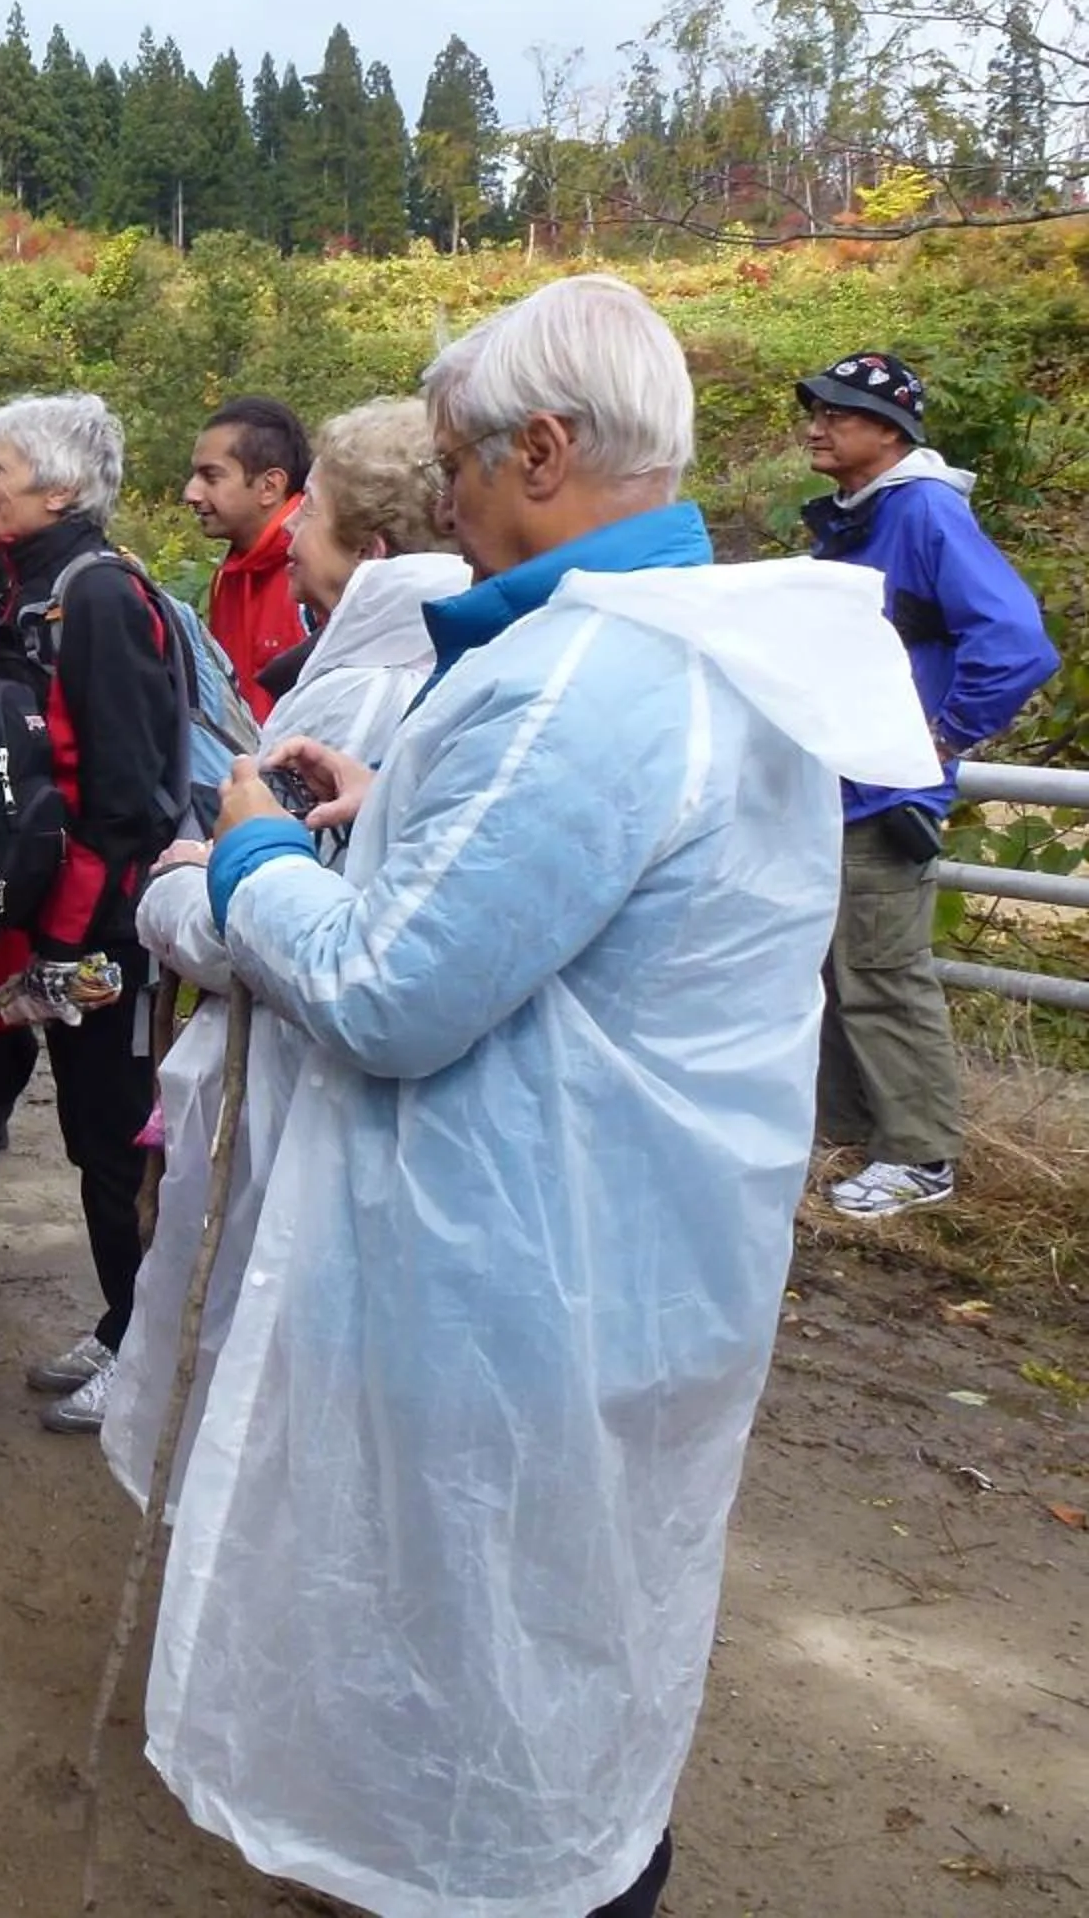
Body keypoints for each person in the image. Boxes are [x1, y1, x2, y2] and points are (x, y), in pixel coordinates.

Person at [152, 275, 939, 1918]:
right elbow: (575, 890)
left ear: (546, 450)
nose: (440, 500)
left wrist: (252, 854)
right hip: (631, 1261)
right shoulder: (694, 637)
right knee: (582, 1632)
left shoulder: (585, 677)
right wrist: (399, 806)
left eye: (455, 461)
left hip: (517, 1274)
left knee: (485, 1664)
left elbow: (388, 994)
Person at [102, 397, 465, 1508]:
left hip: (291, 1091)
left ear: (375, 549)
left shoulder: (356, 692)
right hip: (375, 1117)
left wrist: (173, 889)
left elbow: (269, 925)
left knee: (258, 1375)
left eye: (310, 518)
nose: (291, 541)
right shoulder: (460, 675)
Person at [0, 396, 190, 1437]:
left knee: (109, 1139)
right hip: (29, 927)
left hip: (94, 938)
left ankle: (140, 1346)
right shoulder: (25, 585)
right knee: (52, 1130)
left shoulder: (97, 597)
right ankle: (121, 1323)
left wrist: (72, 947)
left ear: (58, 488)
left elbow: (130, 796)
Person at [797, 353, 1060, 1220]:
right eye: (813, 407)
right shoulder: (859, 516)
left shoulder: (921, 512)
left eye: (838, 411)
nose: (815, 422)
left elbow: (1016, 642)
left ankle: (920, 1158)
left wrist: (934, 741)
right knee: (837, 970)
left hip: (884, 796)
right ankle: (848, 1137)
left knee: (880, 971)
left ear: (892, 431)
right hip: (842, 792)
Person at [183, 394, 311, 717]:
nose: (191, 493)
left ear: (270, 486)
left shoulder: (323, 571)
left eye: (211, 477)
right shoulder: (228, 577)